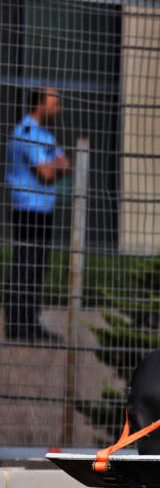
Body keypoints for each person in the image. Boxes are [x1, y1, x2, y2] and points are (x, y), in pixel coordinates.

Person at [3, 87, 70, 343]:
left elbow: (66, 164)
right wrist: (57, 164)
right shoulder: (27, 133)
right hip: (28, 209)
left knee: (38, 266)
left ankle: (30, 323)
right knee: (25, 265)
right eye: (55, 103)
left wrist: (57, 164)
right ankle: (17, 324)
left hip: (43, 209)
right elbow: (48, 173)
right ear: (40, 104)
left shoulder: (45, 135)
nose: (59, 108)